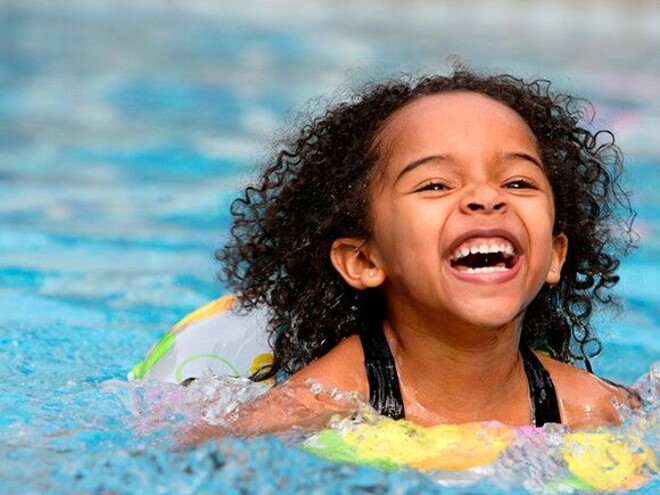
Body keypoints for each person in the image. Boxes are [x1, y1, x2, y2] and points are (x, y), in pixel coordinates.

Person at [210, 68, 638, 436]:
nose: (486, 197)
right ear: (364, 260)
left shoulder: (592, 410)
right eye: (436, 185)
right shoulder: (319, 405)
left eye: (518, 182)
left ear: (554, 256)